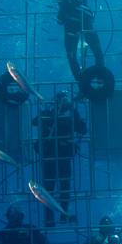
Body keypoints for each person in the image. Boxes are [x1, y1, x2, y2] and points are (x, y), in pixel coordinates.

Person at [36, 0, 106, 86]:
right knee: (95, 51)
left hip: (73, 24)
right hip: (81, 22)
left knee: (74, 55)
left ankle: (88, 85)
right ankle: (99, 83)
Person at [32, 91, 87, 226]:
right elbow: (34, 122)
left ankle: (64, 214)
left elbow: (83, 129)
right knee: (48, 187)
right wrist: (50, 115)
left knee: (64, 186)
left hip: (63, 156)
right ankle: (49, 218)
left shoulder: (70, 117)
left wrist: (73, 112)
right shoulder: (47, 114)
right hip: (49, 156)